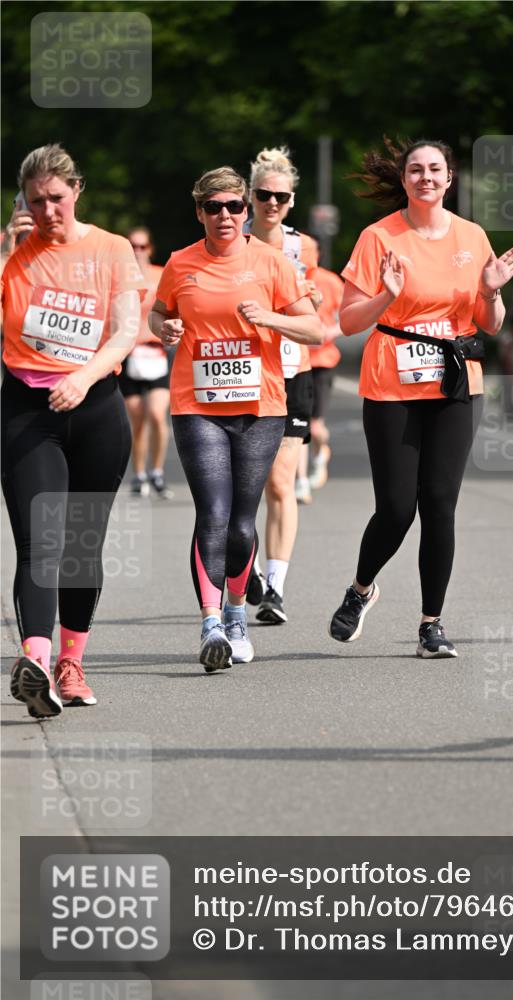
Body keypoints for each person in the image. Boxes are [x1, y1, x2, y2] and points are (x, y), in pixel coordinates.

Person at [328, 138, 513, 656]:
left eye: (435, 169)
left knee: (440, 504)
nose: (426, 178)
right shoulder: (379, 237)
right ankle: (360, 590)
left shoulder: (471, 235)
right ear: (405, 179)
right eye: (416, 170)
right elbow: (348, 322)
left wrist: (491, 290)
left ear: (449, 177)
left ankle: (430, 625)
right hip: (392, 380)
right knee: (396, 508)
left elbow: (491, 324)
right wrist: (387, 295)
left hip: (456, 379)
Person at [149, 166, 321, 670]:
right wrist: (167, 328)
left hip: (260, 406)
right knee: (214, 513)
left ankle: (236, 613)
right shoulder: (181, 263)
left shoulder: (271, 262)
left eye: (234, 207)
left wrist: (271, 319)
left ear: (246, 211)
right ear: (199, 211)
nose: (224, 216)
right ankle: (209, 623)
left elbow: (313, 328)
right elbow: (159, 313)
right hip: (197, 404)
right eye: (213, 207)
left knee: (243, 522)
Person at [1, 143, 144, 718]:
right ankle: (34, 661)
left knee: (81, 547)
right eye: (36, 202)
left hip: (96, 407)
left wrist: (84, 378)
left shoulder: (110, 249)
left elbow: (126, 328)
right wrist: (5, 246)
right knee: (40, 541)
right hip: (28, 408)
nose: (47, 211)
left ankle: (71, 661)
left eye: (56, 199)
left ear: (76, 191)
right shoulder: (15, 252)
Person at [244, 147, 321, 623]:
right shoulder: (230, 235)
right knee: (245, 485)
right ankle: (243, 568)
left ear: (292, 201)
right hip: (245, 370)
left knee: (280, 480)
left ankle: (274, 585)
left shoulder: (304, 246)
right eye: (263, 195)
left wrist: (305, 299)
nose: (272, 203)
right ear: (250, 197)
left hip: (293, 368)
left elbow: (310, 314)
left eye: (281, 196)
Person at [119, 227, 173, 499]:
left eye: (142, 246)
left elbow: (173, 307)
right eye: (133, 246)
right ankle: (139, 474)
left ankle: (157, 471)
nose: (137, 251)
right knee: (137, 419)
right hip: (129, 355)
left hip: (155, 353)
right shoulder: (120, 276)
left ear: (150, 248)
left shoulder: (162, 274)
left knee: (156, 414)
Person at [298, 259, 345, 494]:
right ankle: (300, 481)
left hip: (322, 362)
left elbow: (347, 318)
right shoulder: (287, 275)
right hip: (294, 363)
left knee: (315, 427)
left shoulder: (330, 281)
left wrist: (327, 333)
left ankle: (320, 454)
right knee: (296, 426)